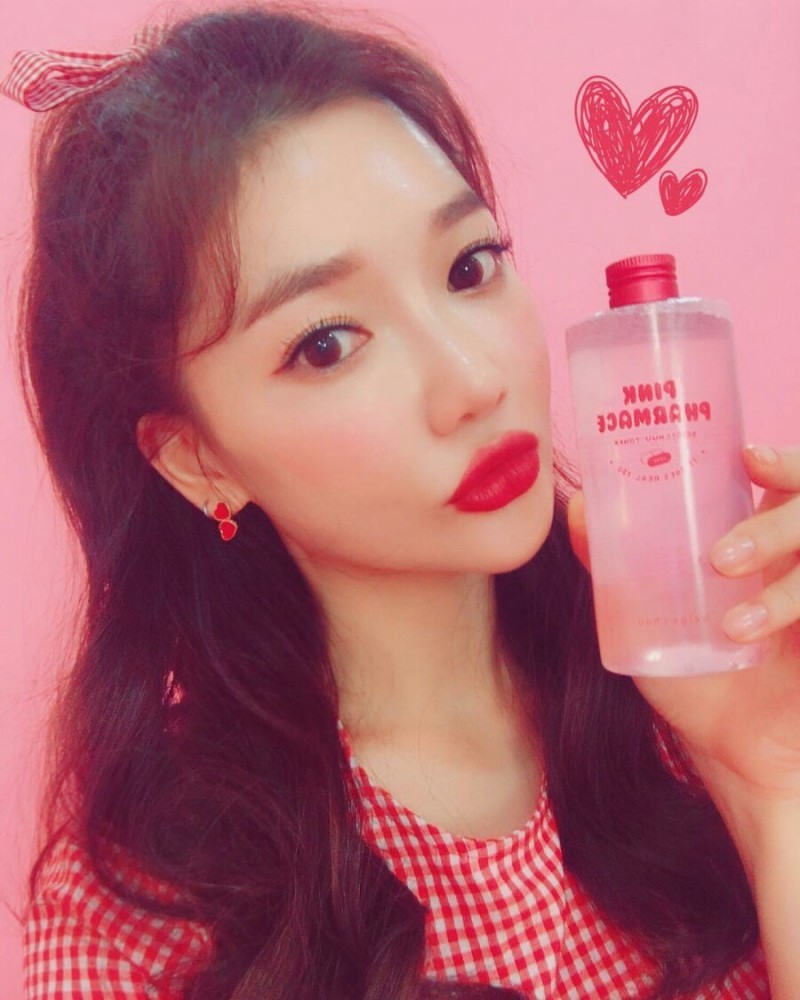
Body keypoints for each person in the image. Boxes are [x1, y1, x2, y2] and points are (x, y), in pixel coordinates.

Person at [3, 4, 799, 998]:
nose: (471, 380)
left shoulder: (689, 709)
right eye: (327, 342)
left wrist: (770, 777)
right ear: (198, 459)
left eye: (469, 267)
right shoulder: (149, 905)